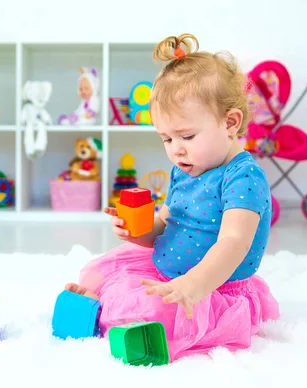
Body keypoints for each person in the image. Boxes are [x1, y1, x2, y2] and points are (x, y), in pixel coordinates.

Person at [64, 33, 280, 362]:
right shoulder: (185, 168)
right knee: (109, 273)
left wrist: (194, 285)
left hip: (210, 289)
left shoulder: (244, 178)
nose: (175, 149)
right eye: (166, 138)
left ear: (230, 123)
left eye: (187, 136)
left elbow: (233, 243)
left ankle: (114, 318)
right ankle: (105, 308)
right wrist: (138, 231)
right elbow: (168, 223)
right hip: (167, 272)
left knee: (160, 311)